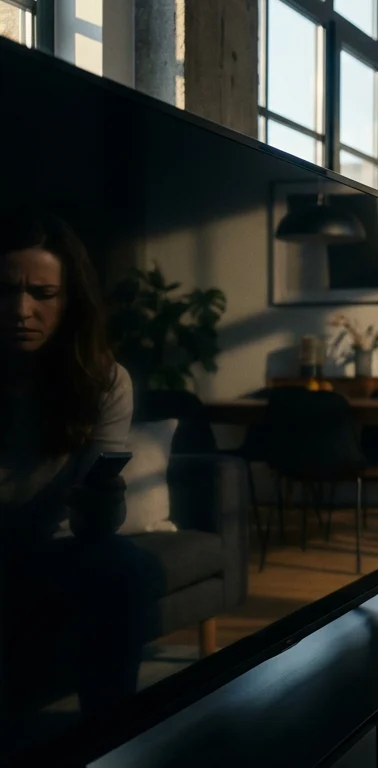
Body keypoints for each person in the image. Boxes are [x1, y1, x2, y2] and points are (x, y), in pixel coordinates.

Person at [0, 207, 158, 735]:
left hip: (40, 551)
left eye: (42, 295)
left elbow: (93, 532)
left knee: (125, 565)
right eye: (5, 291)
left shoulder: (104, 380)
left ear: (70, 302)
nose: (20, 310)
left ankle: (110, 740)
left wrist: (101, 500)